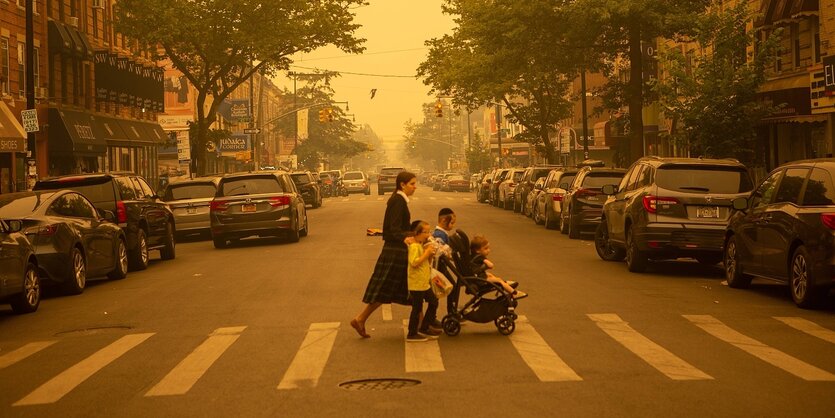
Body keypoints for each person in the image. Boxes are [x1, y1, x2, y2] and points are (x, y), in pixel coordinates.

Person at [351, 171, 418, 338]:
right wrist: (409, 237)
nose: (415, 187)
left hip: (397, 250)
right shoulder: (398, 201)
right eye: (412, 184)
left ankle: (360, 319)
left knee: (393, 289)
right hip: (395, 252)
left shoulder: (400, 200)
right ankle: (422, 324)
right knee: (415, 288)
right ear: (402, 185)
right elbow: (394, 229)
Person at [406, 220, 441, 342]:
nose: (428, 234)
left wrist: (430, 255)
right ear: (417, 233)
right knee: (417, 308)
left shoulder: (420, 245)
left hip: (423, 282)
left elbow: (426, 263)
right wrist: (426, 253)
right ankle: (412, 333)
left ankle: (424, 327)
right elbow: (414, 262)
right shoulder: (415, 246)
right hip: (417, 283)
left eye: (429, 231)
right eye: (425, 232)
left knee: (433, 302)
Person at [469, 235, 527, 299]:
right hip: (480, 280)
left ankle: (505, 284)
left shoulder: (472, 255)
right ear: (478, 250)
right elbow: (491, 265)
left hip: (476, 276)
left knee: (490, 275)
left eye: (488, 248)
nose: (488, 250)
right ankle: (514, 293)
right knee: (499, 281)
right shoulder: (480, 257)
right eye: (485, 248)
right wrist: (486, 266)